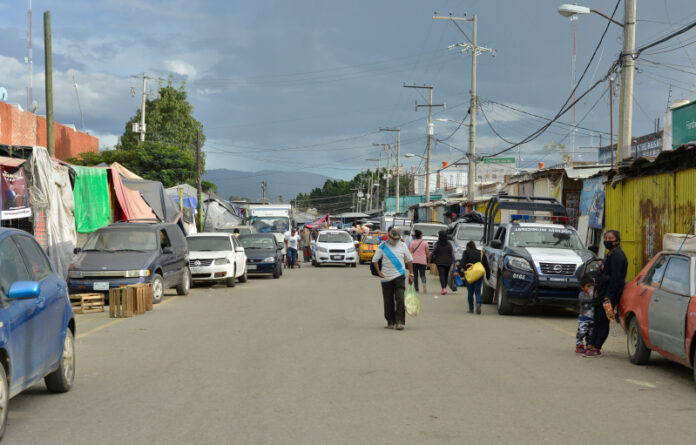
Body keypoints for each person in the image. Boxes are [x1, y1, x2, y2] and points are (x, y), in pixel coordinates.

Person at [584, 230, 628, 358]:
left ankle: (597, 347)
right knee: (597, 319)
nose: (607, 240)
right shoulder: (611, 254)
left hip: (609, 295)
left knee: (604, 320)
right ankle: (591, 344)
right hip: (601, 292)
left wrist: (609, 296)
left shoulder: (618, 256)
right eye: (606, 238)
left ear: (617, 241)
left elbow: (616, 278)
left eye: (611, 238)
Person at [372, 228, 414, 331]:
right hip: (386, 277)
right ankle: (390, 322)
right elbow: (375, 260)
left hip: (399, 276)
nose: (394, 240)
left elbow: (409, 260)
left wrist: (411, 274)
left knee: (400, 298)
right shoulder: (382, 246)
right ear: (389, 237)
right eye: (393, 238)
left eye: (396, 239)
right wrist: (379, 272)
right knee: (388, 300)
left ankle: (399, 322)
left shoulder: (403, 245)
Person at [456, 241, 489, 314]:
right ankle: (478, 303)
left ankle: (471, 309)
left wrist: (459, 270)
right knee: (478, 291)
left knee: (470, 292)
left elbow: (462, 262)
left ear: (468, 247)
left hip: (470, 274)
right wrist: (488, 275)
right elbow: (486, 265)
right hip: (479, 274)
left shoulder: (466, 252)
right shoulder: (481, 253)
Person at [431, 230, 456, 295]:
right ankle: (444, 288)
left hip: (439, 262)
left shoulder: (437, 244)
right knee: (446, 275)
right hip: (448, 262)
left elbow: (434, 252)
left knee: (441, 275)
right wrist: (454, 261)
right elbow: (452, 254)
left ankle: (443, 288)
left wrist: (430, 259)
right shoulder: (449, 244)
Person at [576, 276, 595, 354]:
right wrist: (593, 300)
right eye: (588, 286)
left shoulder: (594, 294)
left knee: (590, 333)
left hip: (592, 318)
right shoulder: (582, 294)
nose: (591, 288)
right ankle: (579, 345)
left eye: (592, 286)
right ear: (583, 287)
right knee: (582, 332)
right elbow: (582, 300)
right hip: (583, 318)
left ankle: (588, 346)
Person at [409, 229, 430, 293]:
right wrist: (428, 262)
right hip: (423, 261)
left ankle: (416, 289)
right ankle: (424, 284)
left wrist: (408, 260)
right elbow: (427, 253)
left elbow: (410, 252)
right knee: (422, 275)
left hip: (414, 261)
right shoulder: (425, 242)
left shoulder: (412, 242)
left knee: (415, 275)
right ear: (420, 235)